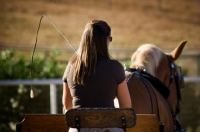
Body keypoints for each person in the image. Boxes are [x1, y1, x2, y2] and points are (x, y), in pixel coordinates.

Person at [62, 20, 131, 132]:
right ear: (105, 40)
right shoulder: (115, 67)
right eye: (110, 39)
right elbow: (126, 107)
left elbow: (68, 106)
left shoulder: (71, 66)